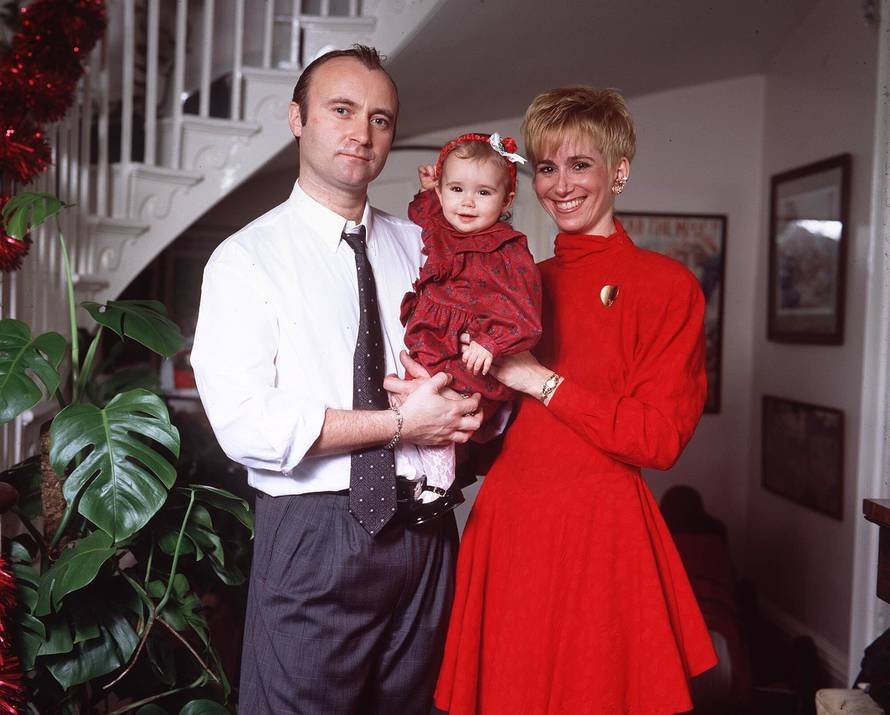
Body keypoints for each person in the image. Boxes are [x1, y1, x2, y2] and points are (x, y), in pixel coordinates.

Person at [190, 45, 483, 715]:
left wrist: (469, 407)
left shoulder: (423, 248)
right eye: (342, 110)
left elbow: (463, 364)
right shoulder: (245, 260)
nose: (362, 133)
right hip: (316, 532)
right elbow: (247, 423)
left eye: (381, 119)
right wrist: (402, 424)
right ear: (297, 118)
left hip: (428, 530)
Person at [434, 87, 718, 715]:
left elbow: (657, 439)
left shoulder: (667, 287)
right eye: (545, 167)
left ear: (619, 171)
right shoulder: (518, 278)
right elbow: (487, 425)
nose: (561, 185)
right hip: (508, 524)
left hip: (600, 532)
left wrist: (541, 381)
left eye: (580, 164)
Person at [396, 132, 542, 519]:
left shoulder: (508, 248)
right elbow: (422, 213)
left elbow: (524, 311)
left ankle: (439, 487)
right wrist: (428, 191)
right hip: (432, 338)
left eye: (483, 193)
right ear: (442, 193)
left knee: (445, 410)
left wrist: (491, 343)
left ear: (506, 199)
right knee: (412, 405)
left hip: (467, 352)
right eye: (456, 189)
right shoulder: (441, 226)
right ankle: (427, 475)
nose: (466, 202)